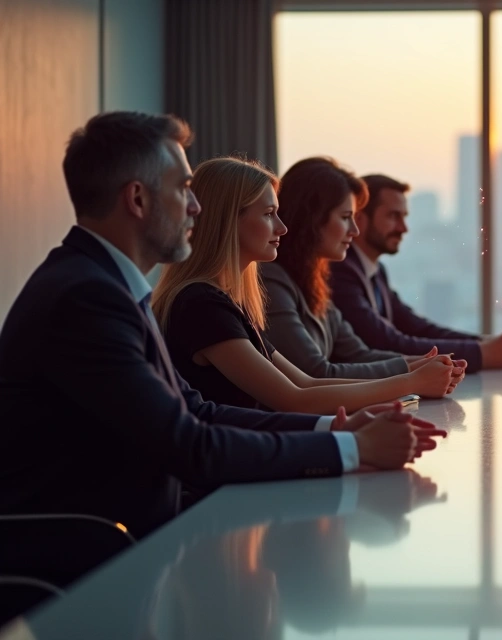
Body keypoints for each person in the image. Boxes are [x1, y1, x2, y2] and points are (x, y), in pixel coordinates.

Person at [0, 112, 439, 550]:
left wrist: (333, 431)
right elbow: (191, 444)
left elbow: (198, 411)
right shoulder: (87, 298)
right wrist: (353, 450)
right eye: (183, 189)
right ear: (137, 199)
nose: (195, 207)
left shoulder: (105, 286)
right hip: (89, 558)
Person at [152, 157, 460, 414]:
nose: (282, 227)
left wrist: (413, 373)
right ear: (228, 221)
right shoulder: (202, 305)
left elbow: (305, 383)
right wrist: (409, 381)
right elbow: (294, 398)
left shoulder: (228, 301)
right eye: (269, 214)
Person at [261, 157, 466, 384]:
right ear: (313, 219)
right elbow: (316, 372)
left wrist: (424, 363)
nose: (355, 230)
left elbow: (358, 354)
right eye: (346, 217)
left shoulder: (314, 280)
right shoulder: (272, 281)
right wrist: (414, 374)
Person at [330, 173, 502, 373]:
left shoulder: (374, 270)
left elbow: (416, 327)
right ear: (360, 219)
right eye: (393, 216)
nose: (403, 228)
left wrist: (487, 342)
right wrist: (482, 353)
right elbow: (386, 342)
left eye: (404, 217)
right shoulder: (341, 271)